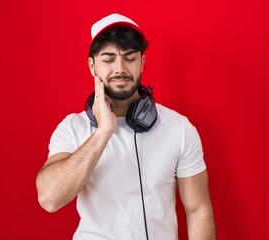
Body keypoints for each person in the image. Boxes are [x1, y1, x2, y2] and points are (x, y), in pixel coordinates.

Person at [36, 13, 216, 240]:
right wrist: (103, 132)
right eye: (108, 59)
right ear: (92, 66)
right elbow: (49, 199)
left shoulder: (178, 128)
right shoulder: (72, 128)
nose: (119, 68)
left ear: (142, 62)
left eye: (129, 57)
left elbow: (198, 209)